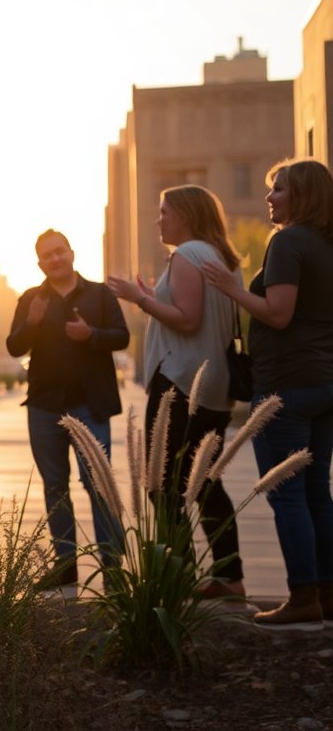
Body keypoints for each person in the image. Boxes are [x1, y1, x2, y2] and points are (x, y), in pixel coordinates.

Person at [202, 159, 333, 631]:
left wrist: (230, 288)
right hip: (323, 383)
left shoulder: (288, 241)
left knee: (287, 495)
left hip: (286, 387)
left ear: (302, 196)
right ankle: (326, 593)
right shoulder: (324, 244)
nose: (269, 198)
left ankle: (301, 598)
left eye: (278, 190)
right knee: (318, 492)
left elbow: (278, 314)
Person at [107, 185, 247, 598]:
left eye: (164, 211)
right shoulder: (220, 257)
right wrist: (152, 296)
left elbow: (187, 321)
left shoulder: (187, 255)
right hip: (214, 386)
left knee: (160, 485)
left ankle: (178, 574)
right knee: (205, 482)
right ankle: (230, 576)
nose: (158, 219)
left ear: (185, 214)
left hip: (182, 385)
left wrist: (140, 300)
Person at [6, 229, 128, 588]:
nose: (55, 259)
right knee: (54, 486)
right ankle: (65, 565)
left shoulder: (100, 294)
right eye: (47, 255)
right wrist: (32, 322)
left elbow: (122, 336)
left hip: (91, 405)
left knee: (99, 484)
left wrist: (90, 334)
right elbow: (14, 346)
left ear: (72, 253)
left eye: (60, 252)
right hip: (45, 406)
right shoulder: (31, 298)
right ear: (39, 262)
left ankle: (113, 565)